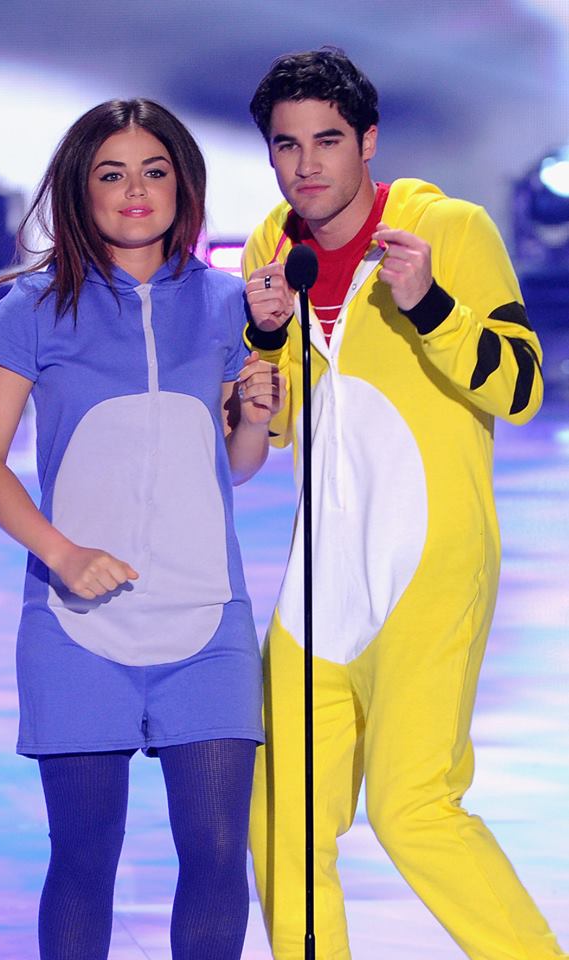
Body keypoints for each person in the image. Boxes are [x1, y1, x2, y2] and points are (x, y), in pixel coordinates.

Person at [243, 48, 566, 960]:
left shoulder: (448, 227)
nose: (306, 166)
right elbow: (277, 421)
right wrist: (260, 349)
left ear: (367, 141)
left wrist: (428, 306)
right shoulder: (273, 241)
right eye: (286, 146)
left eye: (327, 142)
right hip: (318, 582)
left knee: (410, 805)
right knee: (283, 819)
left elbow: (523, 387)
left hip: (428, 562)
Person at [0, 98, 284, 960]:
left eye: (153, 170)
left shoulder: (226, 304)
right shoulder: (28, 311)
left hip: (206, 622)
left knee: (218, 857)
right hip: (74, 633)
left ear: (182, 183)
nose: (135, 191)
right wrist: (63, 554)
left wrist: (254, 417)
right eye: (111, 173)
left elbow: (233, 463)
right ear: (79, 187)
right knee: (84, 860)